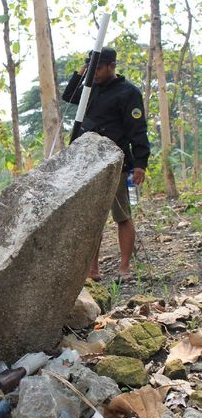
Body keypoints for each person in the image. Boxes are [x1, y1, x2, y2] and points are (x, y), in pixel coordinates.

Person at [62, 46, 150, 282]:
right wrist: (83, 72)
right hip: (87, 163)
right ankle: (92, 270)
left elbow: (137, 129)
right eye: (93, 68)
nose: (96, 73)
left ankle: (124, 267)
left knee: (122, 215)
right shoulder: (89, 88)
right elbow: (68, 96)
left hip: (116, 163)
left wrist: (140, 162)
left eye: (99, 68)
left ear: (112, 66)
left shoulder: (128, 92)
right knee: (92, 219)